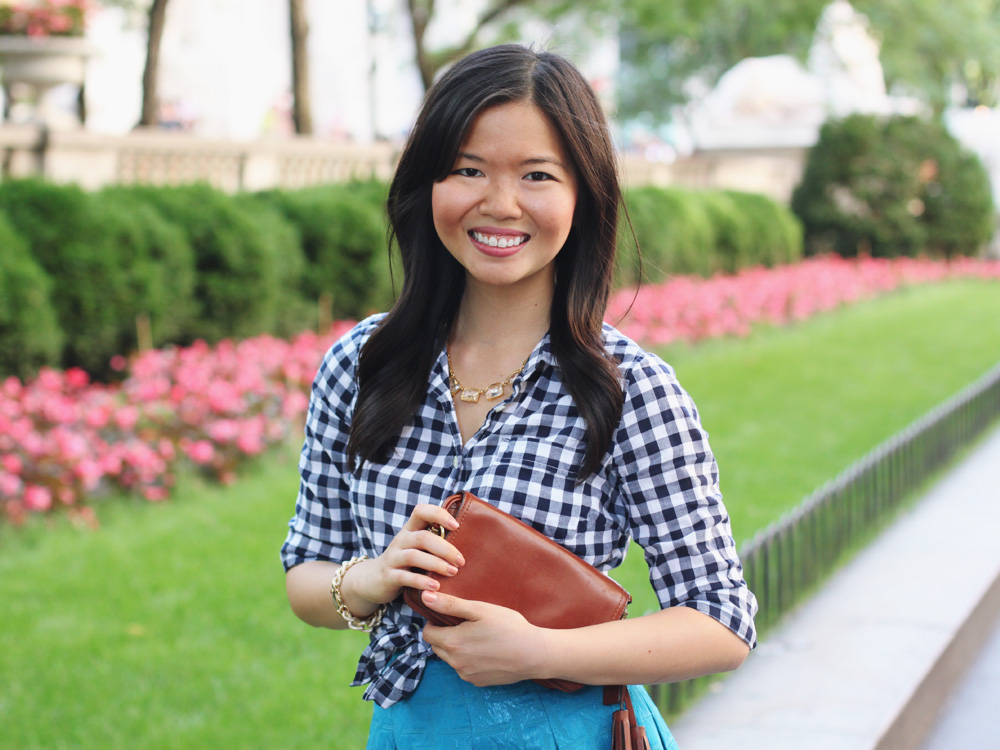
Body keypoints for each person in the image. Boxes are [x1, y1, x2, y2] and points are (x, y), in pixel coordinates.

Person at [281, 44, 757, 749]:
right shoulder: (361, 366)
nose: (498, 204)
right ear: (428, 184)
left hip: (567, 729)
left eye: (536, 175)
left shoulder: (629, 389)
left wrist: (541, 652)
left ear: (581, 195)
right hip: (412, 732)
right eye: (467, 169)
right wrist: (377, 577)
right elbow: (306, 574)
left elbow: (722, 620)